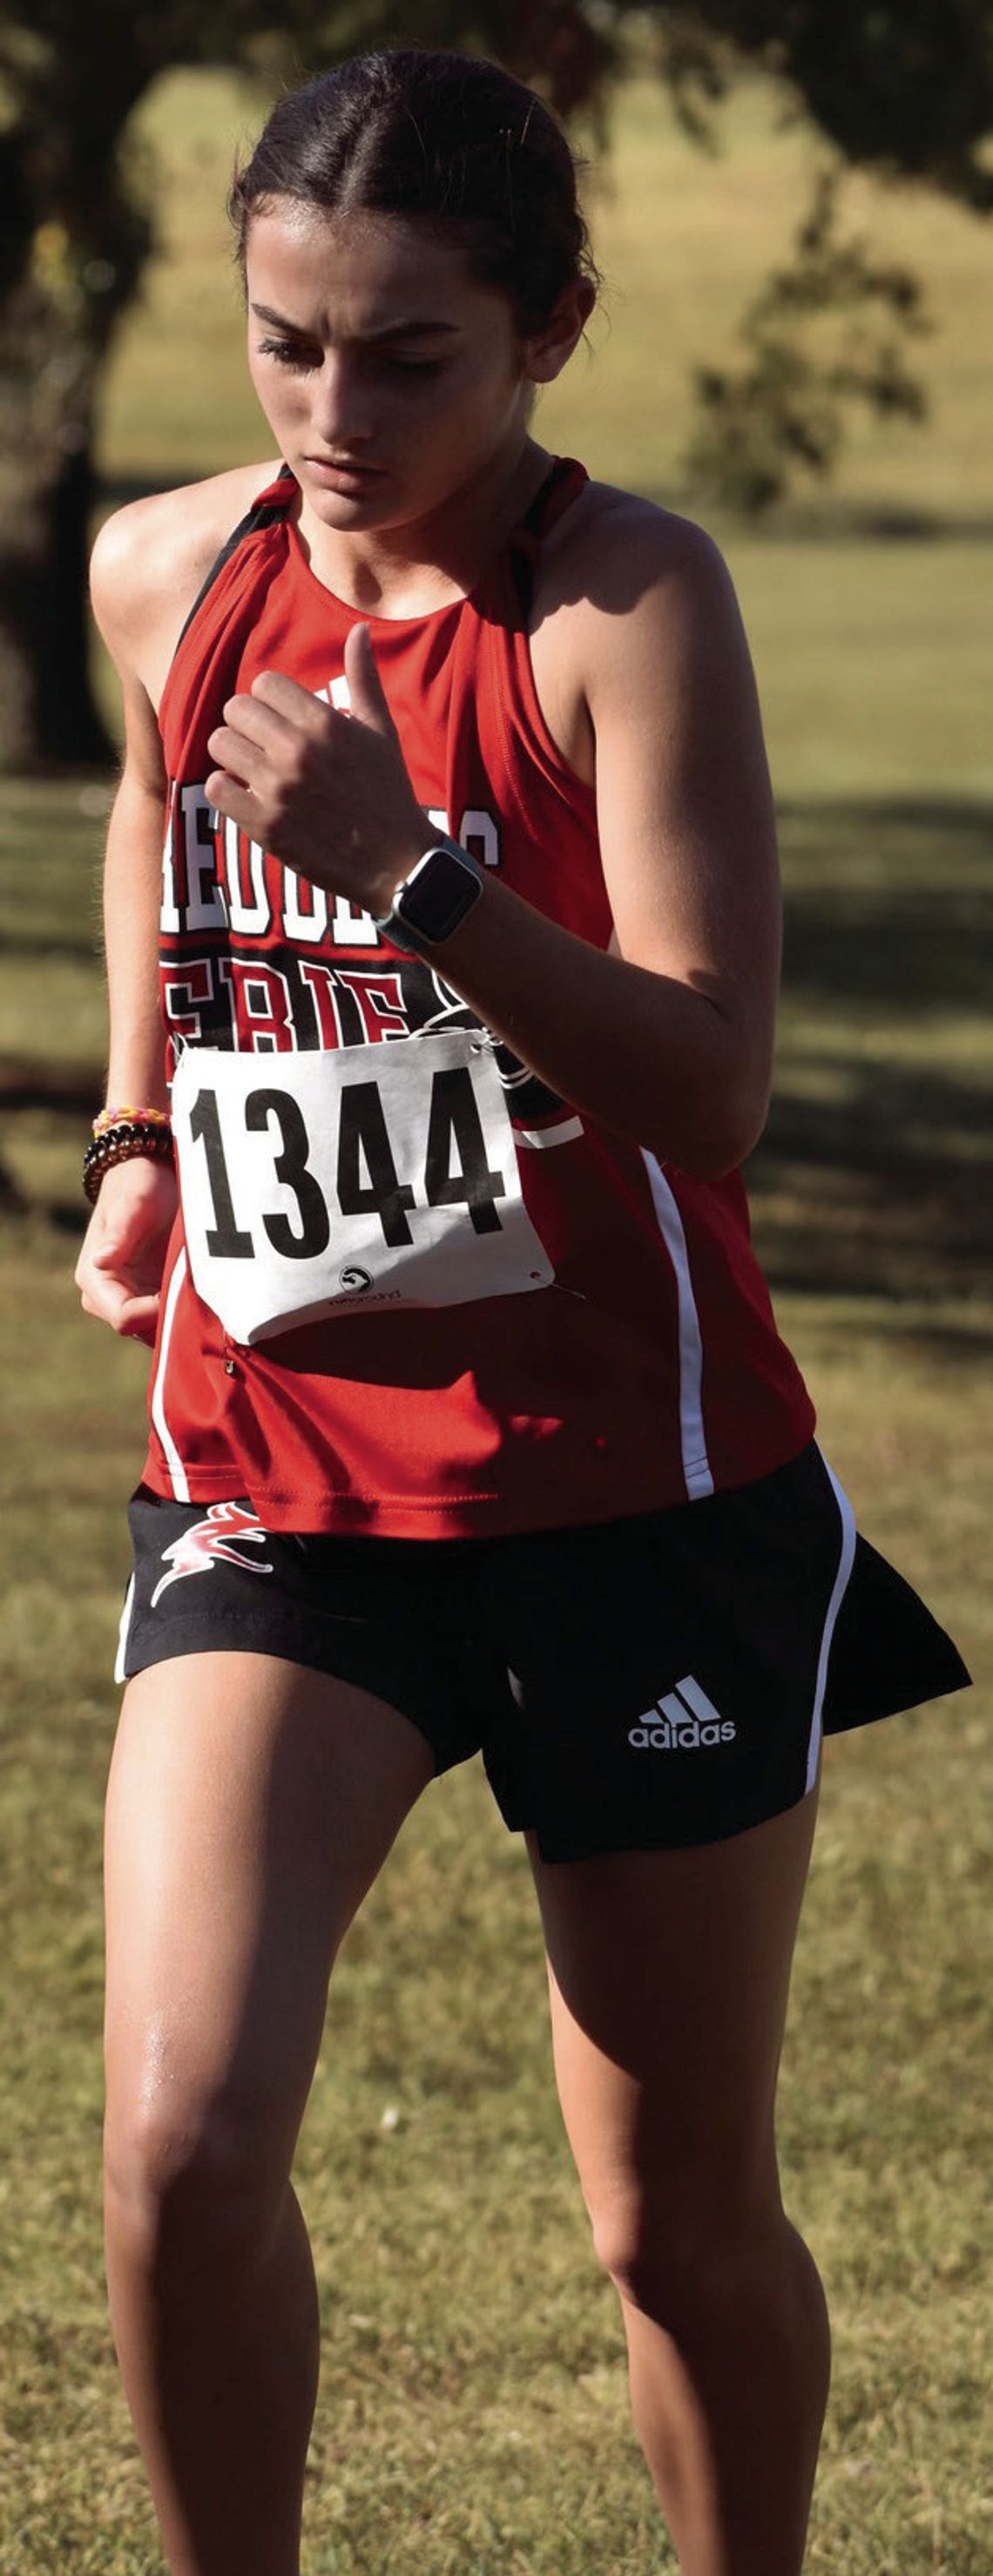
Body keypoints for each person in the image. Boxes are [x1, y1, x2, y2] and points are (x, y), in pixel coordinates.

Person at [74, 49, 968, 2576]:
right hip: (275, 1478)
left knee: (671, 2226)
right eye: (283, 344)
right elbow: (162, 800)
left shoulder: (621, 606)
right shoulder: (173, 571)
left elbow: (708, 1086)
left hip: (637, 1501)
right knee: (176, 2144)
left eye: (405, 356)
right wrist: (142, 1132)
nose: (331, 415)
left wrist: (406, 872)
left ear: (551, 327)